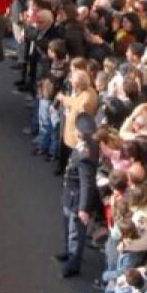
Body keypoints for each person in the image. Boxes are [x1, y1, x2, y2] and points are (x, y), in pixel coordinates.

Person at [55, 112, 100, 277]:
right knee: (68, 227)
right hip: (70, 195)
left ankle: (73, 264)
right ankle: (69, 252)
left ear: (79, 133)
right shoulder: (88, 145)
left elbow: (87, 183)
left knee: (75, 233)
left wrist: (83, 208)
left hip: (77, 199)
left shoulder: (84, 154)